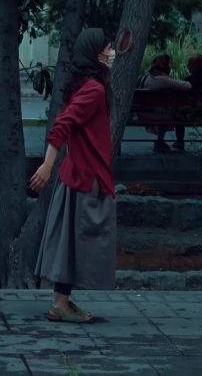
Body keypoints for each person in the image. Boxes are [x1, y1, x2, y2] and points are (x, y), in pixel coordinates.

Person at [30, 28, 116, 324]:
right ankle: (59, 303)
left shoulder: (85, 85)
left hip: (78, 175)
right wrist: (47, 165)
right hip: (84, 178)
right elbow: (63, 124)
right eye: (108, 48)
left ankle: (60, 302)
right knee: (81, 241)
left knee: (68, 243)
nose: (112, 52)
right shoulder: (94, 90)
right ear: (94, 53)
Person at [139, 54, 192, 152]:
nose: (171, 65)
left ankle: (160, 141)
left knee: (166, 110)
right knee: (177, 113)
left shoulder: (145, 78)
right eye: (169, 63)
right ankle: (174, 142)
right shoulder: (164, 80)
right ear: (165, 65)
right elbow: (187, 86)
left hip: (143, 112)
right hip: (155, 114)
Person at [174, 53, 202, 149]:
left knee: (178, 114)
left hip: (192, 115)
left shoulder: (189, 80)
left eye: (189, 63)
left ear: (195, 65)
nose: (188, 65)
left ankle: (180, 142)